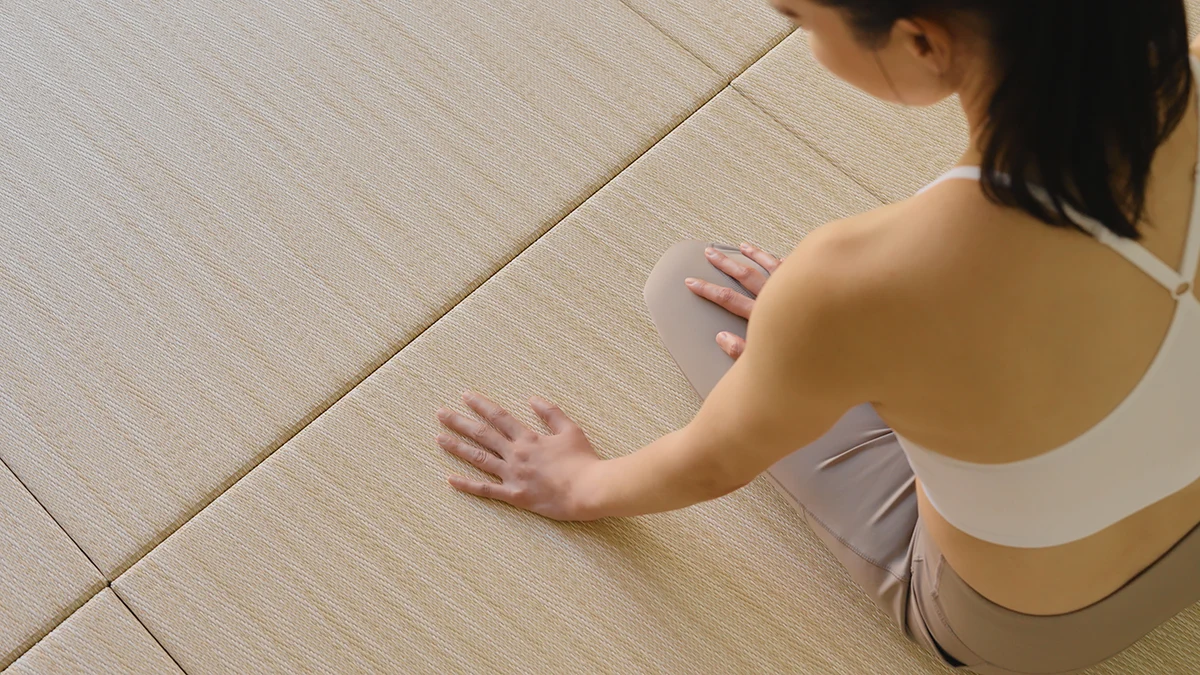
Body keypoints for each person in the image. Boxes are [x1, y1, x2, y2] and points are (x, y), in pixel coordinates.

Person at [435, 1, 1200, 672]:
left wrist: (575, 484)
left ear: (922, 42)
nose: (804, 42)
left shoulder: (852, 280)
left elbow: (712, 464)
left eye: (799, 19)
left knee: (687, 281)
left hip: (1040, 632)